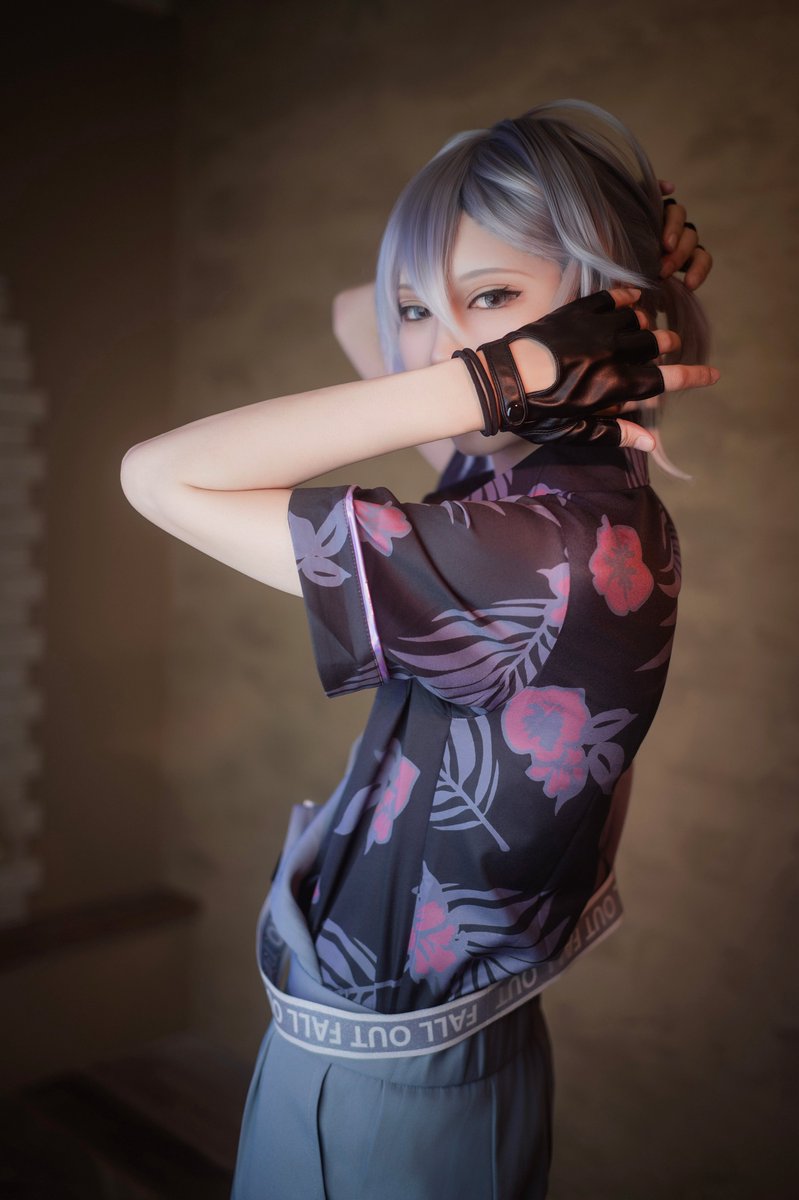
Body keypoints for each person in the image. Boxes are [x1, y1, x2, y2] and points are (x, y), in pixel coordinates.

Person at [120, 100, 718, 1199]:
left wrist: (505, 369)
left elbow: (156, 477)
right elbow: (357, 311)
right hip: (422, 1061)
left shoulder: (535, 549)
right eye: (421, 310)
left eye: (490, 298)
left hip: (385, 1097)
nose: (442, 345)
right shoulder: (538, 477)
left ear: (597, 304)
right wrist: (557, 333)